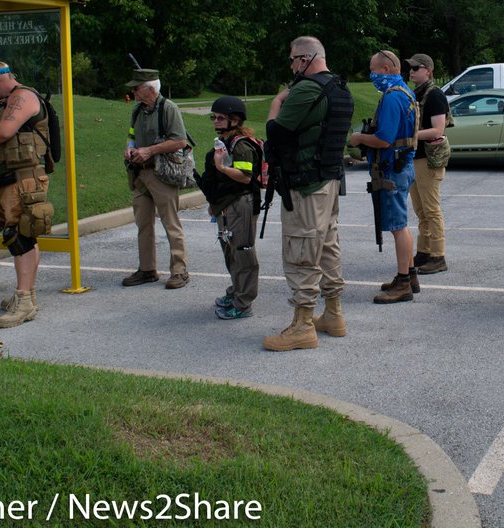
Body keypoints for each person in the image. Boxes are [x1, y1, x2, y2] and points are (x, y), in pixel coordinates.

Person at [263, 37, 354, 351]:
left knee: (302, 252)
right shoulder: (340, 88)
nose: (291, 66)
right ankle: (333, 314)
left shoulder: (306, 89)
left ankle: (302, 326)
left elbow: (276, 134)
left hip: (305, 186)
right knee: (327, 246)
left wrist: (276, 103)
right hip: (328, 181)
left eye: (293, 60)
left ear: (305, 58)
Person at [0, 61, 53, 328]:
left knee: (20, 238)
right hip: (12, 181)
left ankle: (24, 302)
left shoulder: (23, 97)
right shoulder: (8, 100)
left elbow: (5, 131)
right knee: (24, 236)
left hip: (22, 181)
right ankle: (26, 294)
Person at [351, 50, 419, 304]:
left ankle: (403, 284)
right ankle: (409, 275)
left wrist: (358, 138)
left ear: (387, 69)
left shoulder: (392, 98)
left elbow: (383, 139)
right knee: (402, 224)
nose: (372, 75)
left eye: (374, 70)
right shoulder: (405, 92)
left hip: (393, 168)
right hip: (403, 165)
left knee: (398, 227)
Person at [121, 68, 190, 290]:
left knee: (171, 222)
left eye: (137, 87)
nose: (133, 91)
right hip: (140, 173)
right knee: (143, 224)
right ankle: (147, 269)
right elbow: (132, 135)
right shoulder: (138, 110)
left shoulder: (169, 109)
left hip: (161, 174)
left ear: (150, 89)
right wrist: (130, 148)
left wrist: (149, 151)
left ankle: (179, 271)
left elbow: (180, 141)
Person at [198, 96, 263, 320]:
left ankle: (244, 303)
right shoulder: (224, 142)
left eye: (220, 118)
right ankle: (236, 291)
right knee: (230, 251)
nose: (215, 121)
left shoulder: (242, 145)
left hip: (241, 204)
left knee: (243, 254)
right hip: (227, 205)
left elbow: (245, 177)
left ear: (234, 120)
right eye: (213, 117)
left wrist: (222, 168)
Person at [406, 53, 451, 275]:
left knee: (431, 210)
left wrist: (408, 135)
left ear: (428, 70)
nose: (412, 70)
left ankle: (438, 256)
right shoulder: (416, 94)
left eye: (416, 67)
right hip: (416, 158)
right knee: (421, 210)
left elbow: (438, 130)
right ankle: (424, 252)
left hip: (428, 159)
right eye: (410, 67)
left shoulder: (435, 96)